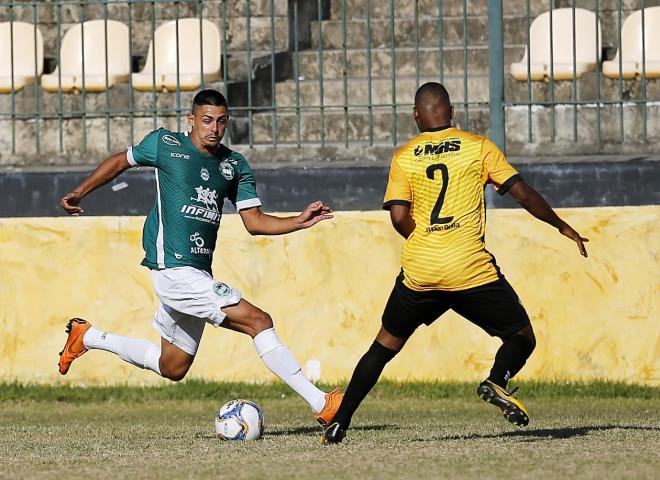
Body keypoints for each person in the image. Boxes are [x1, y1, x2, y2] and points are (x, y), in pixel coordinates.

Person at [322, 82, 588, 443]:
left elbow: (399, 218)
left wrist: (428, 240)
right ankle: (496, 381)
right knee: (520, 335)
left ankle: (341, 421)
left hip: (421, 272)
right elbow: (523, 193)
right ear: (452, 112)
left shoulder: (405, 156)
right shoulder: (478, 147)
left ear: (416, 115)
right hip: (469, 269)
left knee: (383, 346)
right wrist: (562, 225)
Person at [58, 89, 342, 426]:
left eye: (221, 122)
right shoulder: (166, 145)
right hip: (172, 270)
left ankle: (88, 336)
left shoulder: (233, 165)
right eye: (207, 120)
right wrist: (80, 191)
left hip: (197, 274)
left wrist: (297, 221)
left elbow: (254, 222)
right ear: (191, 119)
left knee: (173, 366)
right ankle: (321, 402)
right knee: (259, 321)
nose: (214, 128)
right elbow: (121, 160)